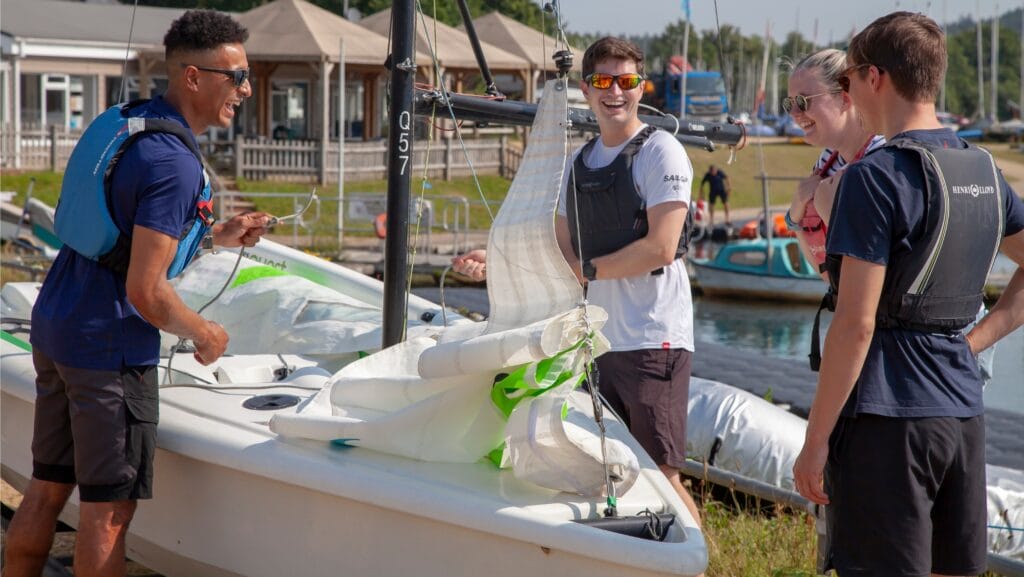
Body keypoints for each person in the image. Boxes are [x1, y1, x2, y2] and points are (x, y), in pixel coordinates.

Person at [3, 10, 270, 577]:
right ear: (193, 77)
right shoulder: (173, 162)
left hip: (58, 325)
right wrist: (204, 331)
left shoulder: (130, 121)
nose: (245, 90)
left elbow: (120, 241)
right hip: (108, 350)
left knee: (47, 490)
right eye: (236, 77)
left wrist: (216, 237)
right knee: (107, 513)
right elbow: (147, 290)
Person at [792, 11, 1024, 577]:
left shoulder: (876, 177)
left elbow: (857, 323)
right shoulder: (983, 169)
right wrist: (972, 343)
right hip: (962, 413)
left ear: (875, 78)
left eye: (845, 80)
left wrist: (815, 441)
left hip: (888, 418)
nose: (846, 91)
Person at [453, 37, 701, 529]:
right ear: (586, 89)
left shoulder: (661, 153)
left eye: (627, 81)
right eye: (604, 81)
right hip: (599, 341)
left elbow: (662, 247)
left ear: (641, 86)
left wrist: (589, 271)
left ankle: (697, 561)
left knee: (662, 475)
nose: (616, 92)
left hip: (655, 339)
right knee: (614, 472)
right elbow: (557, 253)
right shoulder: (576, 165)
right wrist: (498, 265)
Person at [783, 48, 885, 277]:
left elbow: (885, 263)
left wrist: (829, 212)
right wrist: (795, 216)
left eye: (803, 101)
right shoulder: (828, 160)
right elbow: (825, 272)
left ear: (845, 97)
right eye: (789, 104)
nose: (794, 113)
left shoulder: (882, 160)